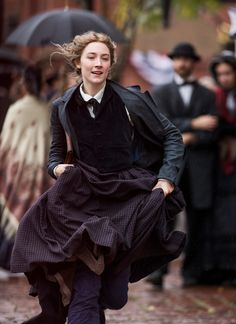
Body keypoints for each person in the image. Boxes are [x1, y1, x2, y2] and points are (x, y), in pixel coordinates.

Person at [11, 31, 186, 324]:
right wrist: (56, 169)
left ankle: (107, 286)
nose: (98, 63)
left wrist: (166, 179)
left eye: (105, 58)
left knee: (114, 296)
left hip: (126, 195)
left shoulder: (131, 100)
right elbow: (54, 155)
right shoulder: (61, 106)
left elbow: (172, 136)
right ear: (78, 63)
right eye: (92, 57)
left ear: (110, 64)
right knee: (74, 266)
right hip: (82, 195)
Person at [151, 42, 219, 287]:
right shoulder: (160, 93)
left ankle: (192, 272)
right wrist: (193, 126)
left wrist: (187, 134)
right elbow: (161, 126)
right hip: (171, 168)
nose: (182, 63)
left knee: (198, 221)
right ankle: (158, 271)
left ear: (193, 62)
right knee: (165, 219)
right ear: (172, 61)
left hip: (201, 168)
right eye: (178, 58)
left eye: (187, 59)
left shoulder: (208, 95)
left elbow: (213, 131)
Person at [0, 64, 53, 271]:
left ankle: (6, 259)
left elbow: (5, 142)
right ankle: (22, 259)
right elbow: (50, 144)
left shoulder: (16, 109)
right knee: (30, 214)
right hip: (37, 170)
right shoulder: (46, 111)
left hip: (14, 168)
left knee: (12, 211)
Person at [209, 53, 236, 285]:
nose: (224, 78)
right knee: (224, 219)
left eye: (228, 73)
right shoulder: (215, 97)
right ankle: (224, 268)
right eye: (220, 74)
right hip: (220, 165)